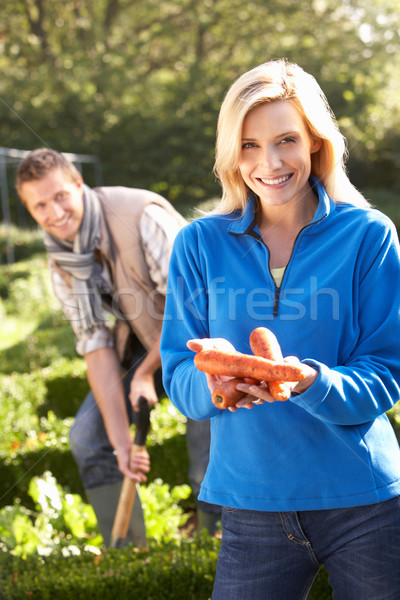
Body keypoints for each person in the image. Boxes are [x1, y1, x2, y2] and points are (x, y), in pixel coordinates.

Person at [160, 59, 400, 599]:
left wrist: (308, 381)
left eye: (286, 139)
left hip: (365, 503)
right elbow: (179, 372)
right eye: (248, 144)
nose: (268, 162)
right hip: (251, 505)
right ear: (231, 153)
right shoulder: (199, 244)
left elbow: (387, 372)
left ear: (315, 142)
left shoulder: (369, 236)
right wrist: (215, 385)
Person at [15, 148, 219, 546]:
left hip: (205, 343)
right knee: (89, 439)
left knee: (206, 457)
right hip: (145, 342)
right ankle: (127, 551)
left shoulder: (141, 216)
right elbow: (95, 346)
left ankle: (217, 542)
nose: (54, 213)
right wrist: (122, 443)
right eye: (40, 205)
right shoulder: (62, 258)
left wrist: (145, 374)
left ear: (78, 184)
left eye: (59, 196)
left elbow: (194, 313)